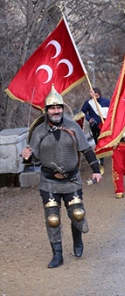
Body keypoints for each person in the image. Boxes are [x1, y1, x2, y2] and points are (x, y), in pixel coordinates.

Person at [21, 86, 103, 268]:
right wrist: (27, 156)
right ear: (47, 110)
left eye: (59, 107)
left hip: (72, 180)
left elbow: (86, 149)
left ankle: (78, 241)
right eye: (52, 108)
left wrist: (96, 170)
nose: (56, 110)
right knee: (53, 218)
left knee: (77, 214)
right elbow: (32, 159)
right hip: (49, 182)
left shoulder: (72, 126)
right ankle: (57, 255)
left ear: (62, 108)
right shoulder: (39, 131)